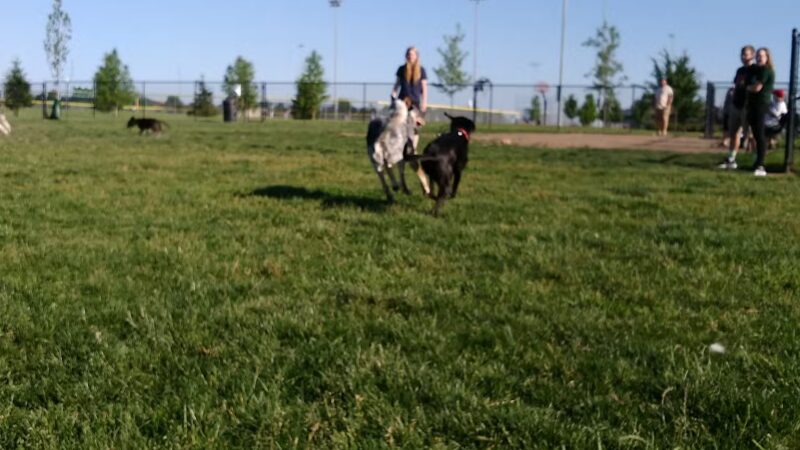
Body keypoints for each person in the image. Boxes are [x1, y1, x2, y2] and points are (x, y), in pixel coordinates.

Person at [719, 45, 755, 169]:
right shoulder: (740, 70)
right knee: (734, 133)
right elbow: (737, 84)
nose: (743, 56)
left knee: (750, 134)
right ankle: (731, 158)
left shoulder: (755, 69)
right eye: (742, 54)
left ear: (752, 55)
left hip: (747, 105)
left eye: (746, 54)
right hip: (736, 105)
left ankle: (757, 160)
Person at [746, 47, 776, 177]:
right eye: (757, 55)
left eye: (761, 56)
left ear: (767, 57)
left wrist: (747, 87)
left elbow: (757, 87)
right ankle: (757, 161)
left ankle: (761, 164)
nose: (759, 58)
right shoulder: (756, 70)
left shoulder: (766, 70)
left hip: (761, 104)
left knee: (760, 134)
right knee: (756, 135)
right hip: (753, 105)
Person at [391, 46, 428, 150]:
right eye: (408, 54)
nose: (410, 56)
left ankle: (413, 148)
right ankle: (399, 147)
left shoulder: (421, 70)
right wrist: (393, 94)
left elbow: (424, 88)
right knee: (399, 123)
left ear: (416, 56)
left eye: (412, 54)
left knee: (414, 123)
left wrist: (424, 103)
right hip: (402, 101)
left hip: (415, 102)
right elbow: (397, 84)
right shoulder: (401, 69)